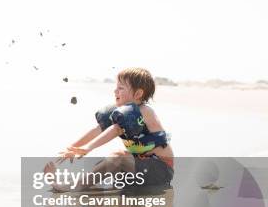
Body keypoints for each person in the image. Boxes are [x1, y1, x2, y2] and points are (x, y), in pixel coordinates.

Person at [46, 67, 174, 192]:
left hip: (160, 170)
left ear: (138, 93)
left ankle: (70, 187)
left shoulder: (145, 111)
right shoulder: (119, 112)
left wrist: (88, 148)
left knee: (118, 157)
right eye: (116, 87)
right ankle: (80, 182)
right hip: (141, 168)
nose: (115, 91)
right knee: (112, 159)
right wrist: (72, 148)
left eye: (121, 88)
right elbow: (99, 129)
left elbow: (116, 130)